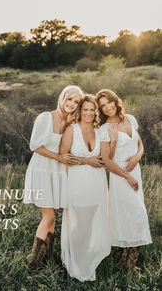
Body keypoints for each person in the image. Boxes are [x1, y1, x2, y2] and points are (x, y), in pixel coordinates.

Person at [23, 85, 84, 267]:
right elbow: (34, 146)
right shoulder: (45, 117)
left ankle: (47, 258)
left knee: (53, 216)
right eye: (69, 99)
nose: (72, 104)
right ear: (62, 97)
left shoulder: (70, 123)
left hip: (57, 172)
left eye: (77, 102)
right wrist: (59, 157)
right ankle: (33, 260)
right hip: (42, 170)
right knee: (48, 216)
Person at [96, 89, 152, 268]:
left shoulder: (130, 119)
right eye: (102, 106)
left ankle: (127, 262)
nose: (106, 108)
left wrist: (137, 157)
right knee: (133, 214)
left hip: (136, 172)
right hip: (120, 176)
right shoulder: (104, 129)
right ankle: (126, 264)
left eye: (108, 103)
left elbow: (140, 144)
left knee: (134, 213)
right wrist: (127, 177)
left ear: (115, 101)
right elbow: (106, 160)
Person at [60, 95, 111, 282]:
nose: (89, 113)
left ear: (96, 112)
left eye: (92, 110)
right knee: (80, 223)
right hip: (78, 183)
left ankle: (85, 264)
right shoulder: (71, 130)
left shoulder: (100, 131)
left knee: (89, 224)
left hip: (97, 184)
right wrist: (86, 160)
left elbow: (105, 157)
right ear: (80, 111)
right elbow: (63, 155)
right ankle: (72, 263)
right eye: (86, 109)